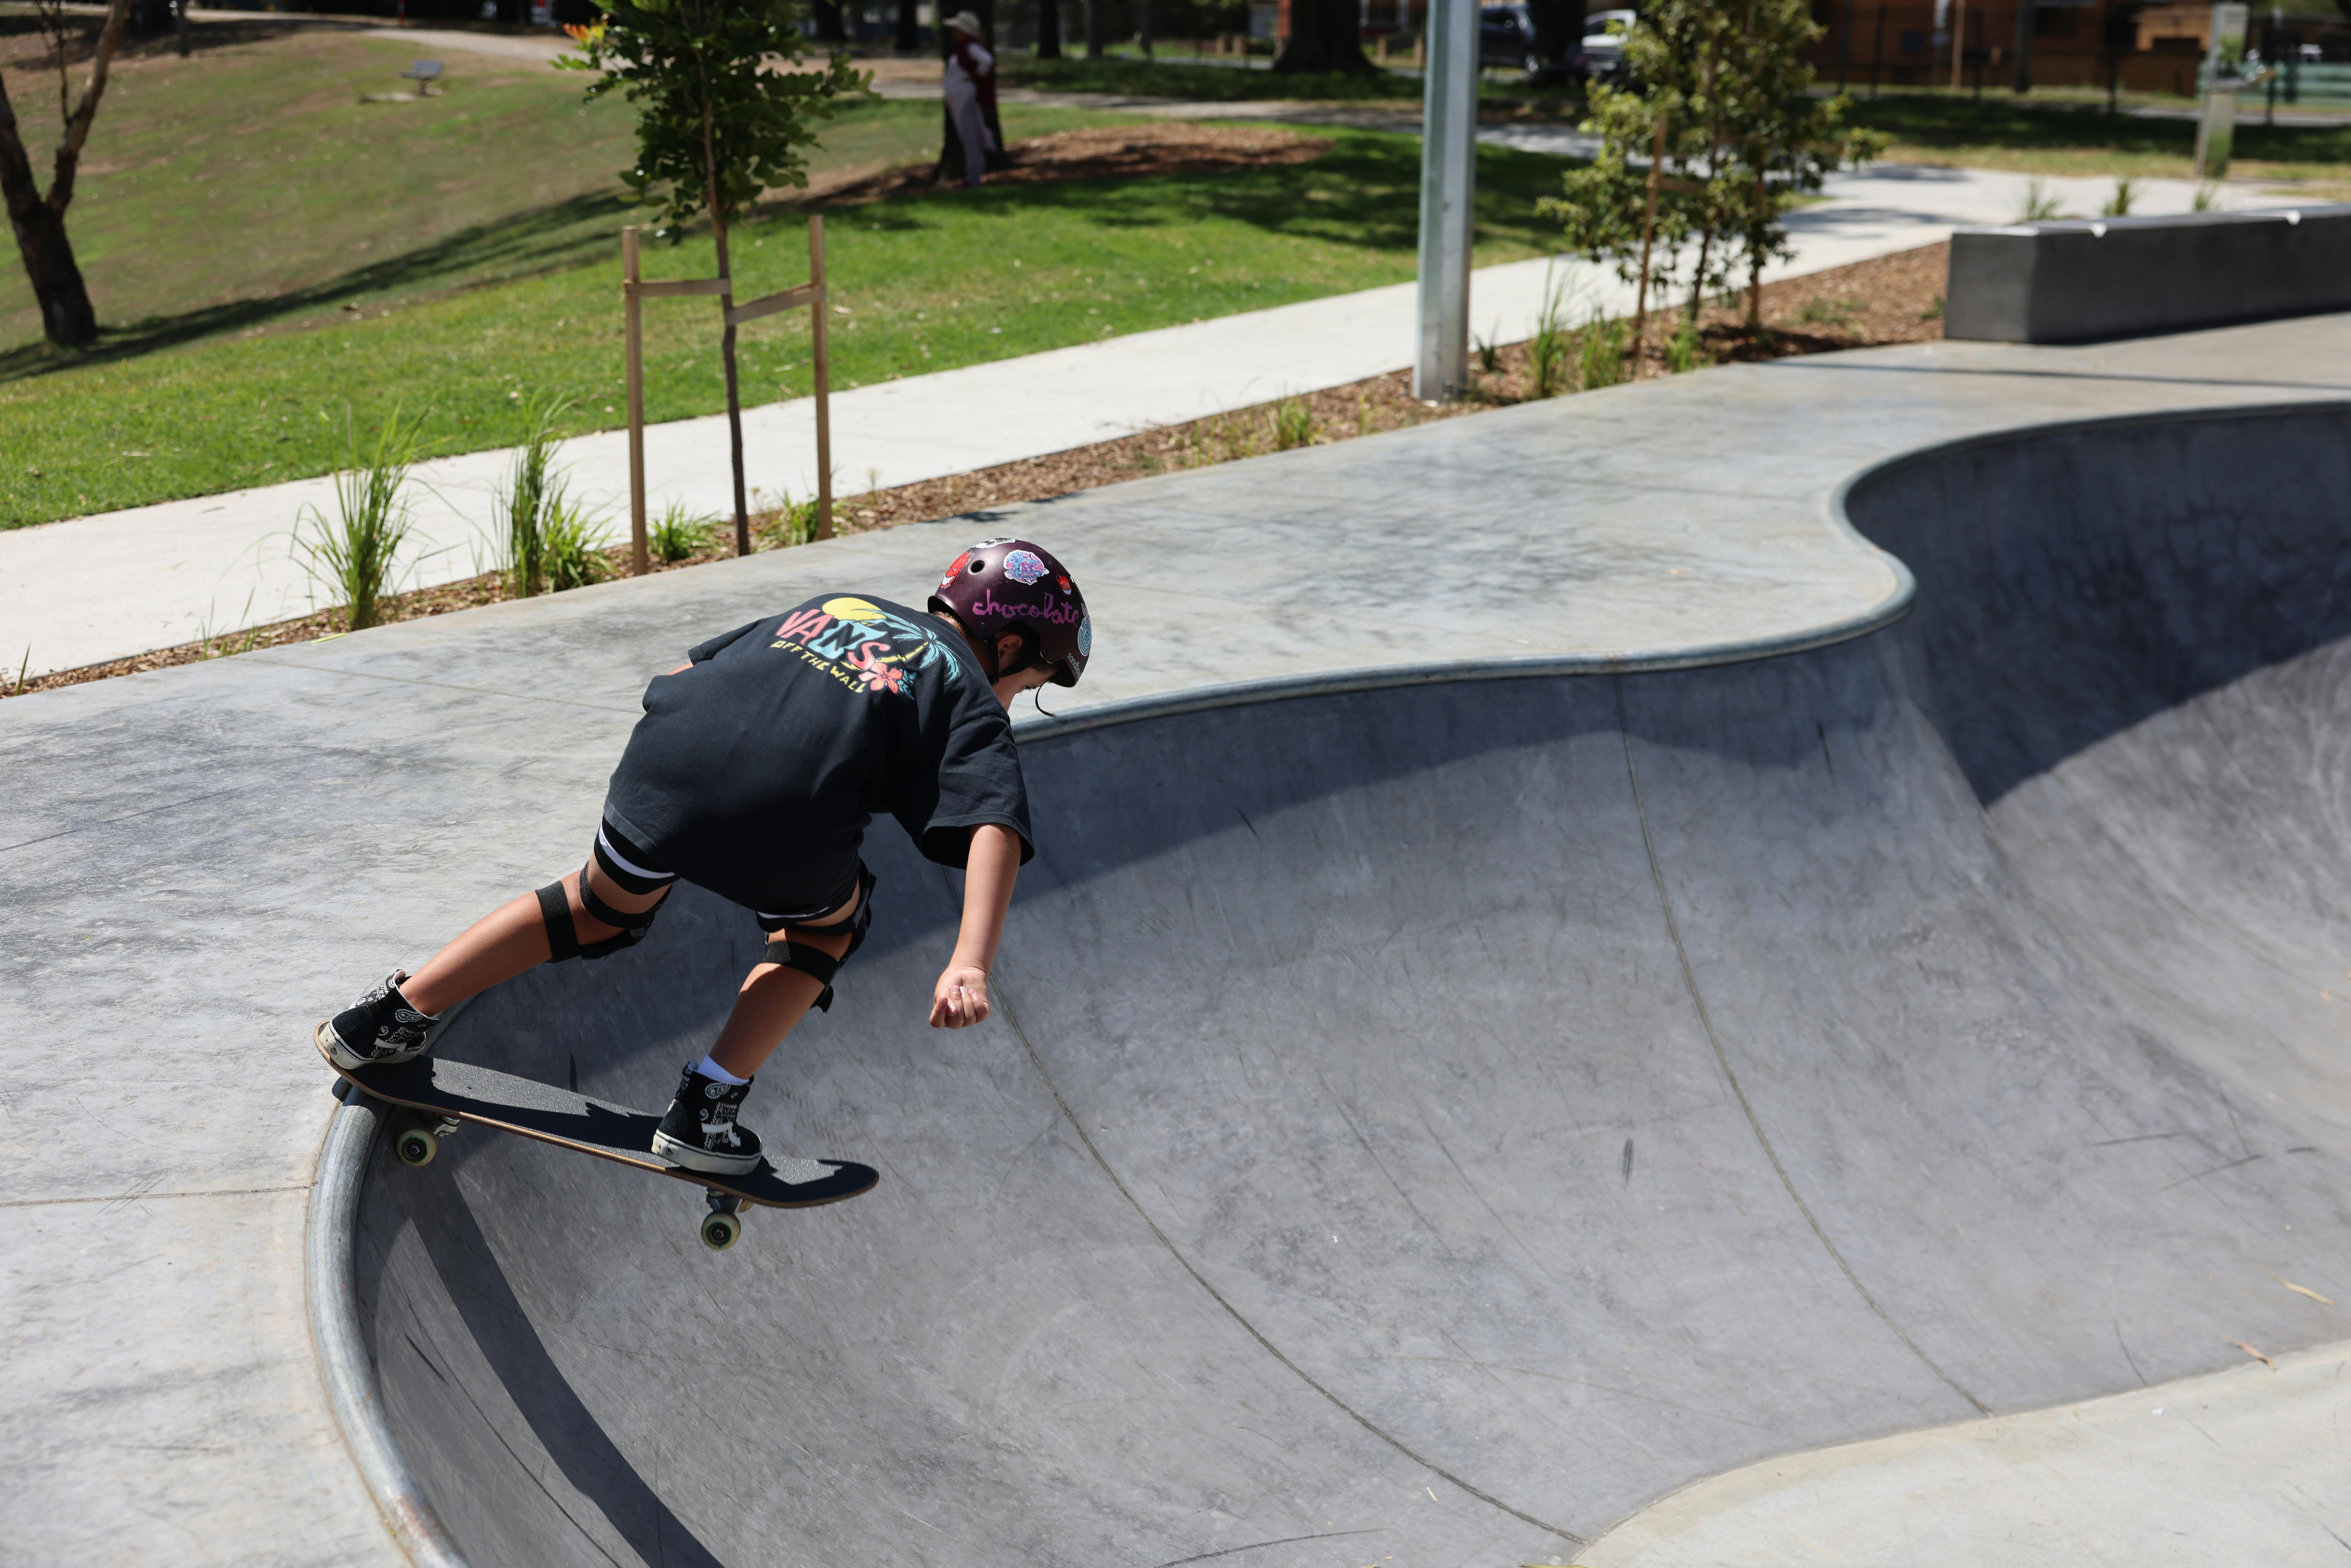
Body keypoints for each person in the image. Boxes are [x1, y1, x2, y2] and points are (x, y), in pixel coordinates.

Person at [316, 538, 1094, 1174]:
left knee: (597, 907)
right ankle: (706, 1108)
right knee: (823, 930)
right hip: (784, 814)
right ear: (1013, 644)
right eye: (1029, 684)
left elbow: (691, 671)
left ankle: (387, 1015)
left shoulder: (838, 605)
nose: (1016, 701)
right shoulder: (963, 685)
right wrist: (969, 961)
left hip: (666, 758)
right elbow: (995, 826)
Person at [941, 9, 998, 189]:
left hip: (966, 99)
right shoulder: (964, 48)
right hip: (960, 100)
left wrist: (976, 75)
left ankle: (974, 178)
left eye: (957, 29)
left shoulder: (971, 47)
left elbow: (987, 61)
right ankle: (972, 175)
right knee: (968, 138)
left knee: (972, 138)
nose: (954, 33)